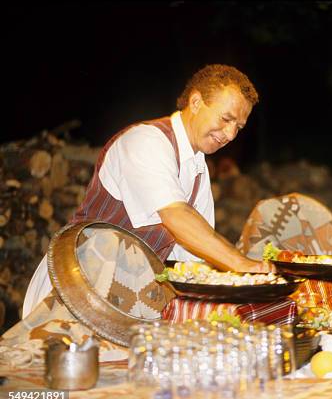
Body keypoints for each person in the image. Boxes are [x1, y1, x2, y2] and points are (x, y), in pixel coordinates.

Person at [22, 64, 273, 317]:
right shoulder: (146, 141)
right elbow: (176, 216)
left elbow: (193, 259)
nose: (230, 134)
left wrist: (238, 290)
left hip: (118, 302)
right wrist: (242, 265)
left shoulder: (198, 170)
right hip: (71, 290)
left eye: (238, 127)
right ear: (196, 102)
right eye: (226, 118)